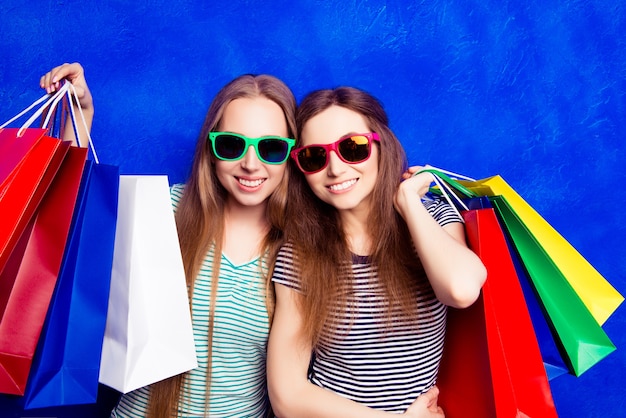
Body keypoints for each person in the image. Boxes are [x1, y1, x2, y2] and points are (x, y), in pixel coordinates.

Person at [41, 63, 297, 417]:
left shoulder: (298, 249)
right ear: (211, 148)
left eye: (270, 148)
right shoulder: (166, 210)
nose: (250, 164)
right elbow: (70, 228)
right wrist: (81, 113)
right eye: (231, 144)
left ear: (291, 155)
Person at [267, 86, 487, 417]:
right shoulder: (299, 255)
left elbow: (461, 289)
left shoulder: (432, 219)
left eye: (352, 148)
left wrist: (409, 202)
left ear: (381, 145)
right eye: (315, 156)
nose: (336, 169)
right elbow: (287, 395)